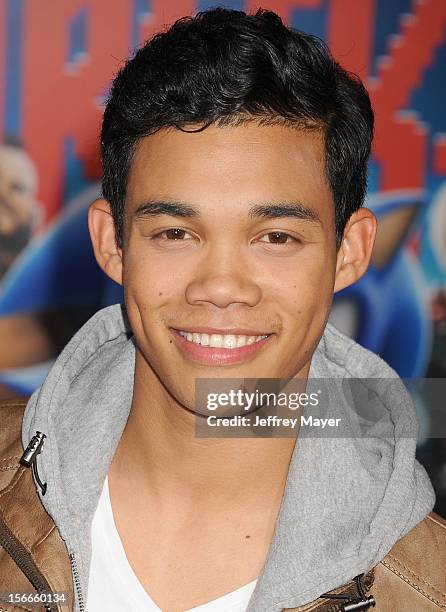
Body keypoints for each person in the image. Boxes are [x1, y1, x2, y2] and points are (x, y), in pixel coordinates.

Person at [0, 7, 444, 612]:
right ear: (112, 243)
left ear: (349, 253)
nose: (222, 287)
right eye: (176, 233)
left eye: (276, 238)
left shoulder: (425, 589)